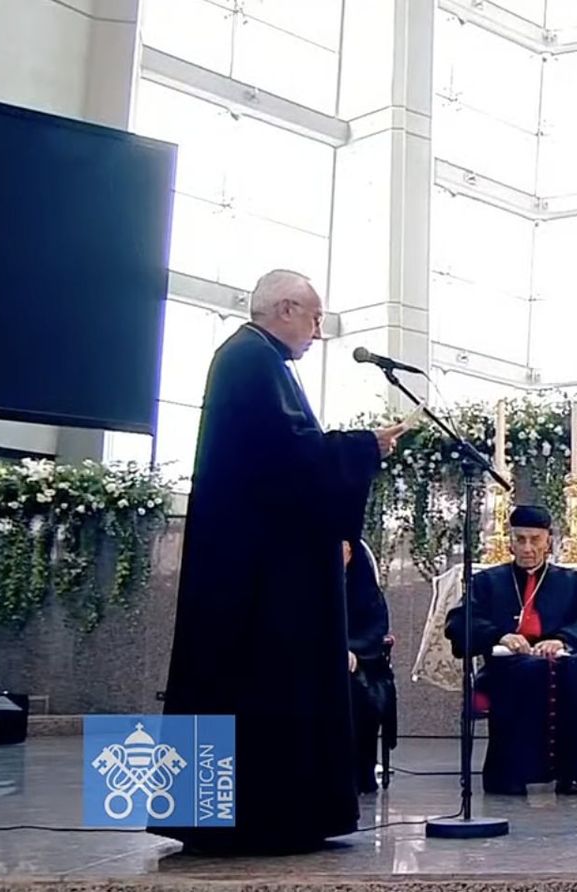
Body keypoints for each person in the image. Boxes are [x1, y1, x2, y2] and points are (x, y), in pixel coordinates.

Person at [159, 270, 407, 854]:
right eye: (316, 318)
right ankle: (263, 820)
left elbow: (284, 457)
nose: (319, 331)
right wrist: (363, 446)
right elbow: (292, 457)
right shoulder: (252, 362)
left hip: (250, 565)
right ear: (287, 309)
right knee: (258, 686)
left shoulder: (252, 360)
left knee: (242, 687)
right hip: (255, 580)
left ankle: (245, 818)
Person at [446, 505, 577, 795]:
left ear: (549, 541)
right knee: (529, 668)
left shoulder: (574, 583)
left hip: (563, 660)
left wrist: (562, 640)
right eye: (520, 539)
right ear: (510, 541)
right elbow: (461, 621)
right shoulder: (487, 582)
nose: (527, 548)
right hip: (510, 665)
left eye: (535, 540)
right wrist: (500, 635)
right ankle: (513, 774)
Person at [345, 534, 395, 795]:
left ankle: (356, 774)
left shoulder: (364, 587)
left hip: (363, 666)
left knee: (356, 692)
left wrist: (353, 651)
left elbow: (376, 631)